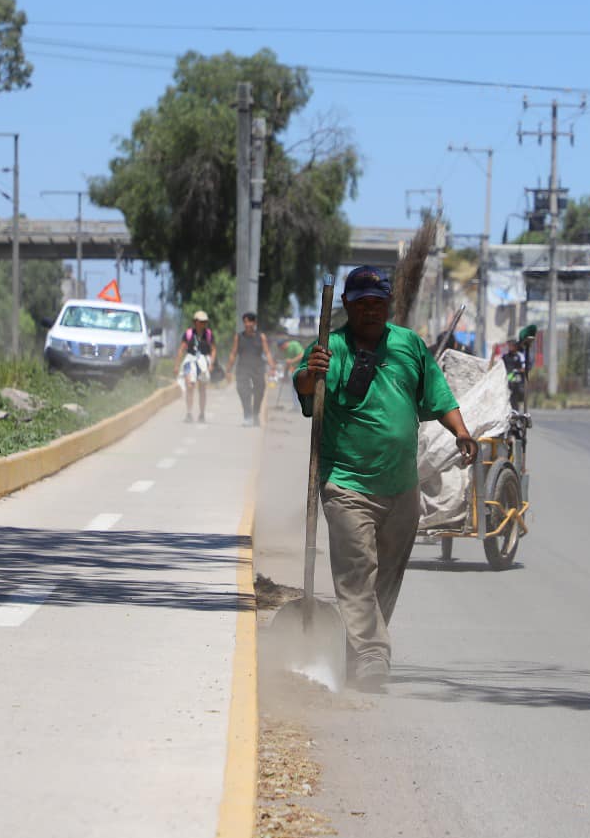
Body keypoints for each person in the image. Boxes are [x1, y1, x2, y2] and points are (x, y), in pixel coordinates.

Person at [295, 265, 478, 692]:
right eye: (363, 305)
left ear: (388, 307)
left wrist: (462, 432)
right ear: (347, 307)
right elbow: (304, 387)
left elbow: (438, 395)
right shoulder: (329, 347)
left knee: (385, 578)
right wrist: (312, 373)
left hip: (401, 486)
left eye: (379, 304)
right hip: (346, 484)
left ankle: (357, 650)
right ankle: (374, 654)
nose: (371, 313)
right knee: (357, 571)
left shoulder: (408, 346)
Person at [227, 312, 274, 426]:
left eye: (250, 321)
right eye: (245, 322)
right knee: (243, 391)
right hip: (242, 368)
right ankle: (247, 416)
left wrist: (272, 367)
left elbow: (267, 352)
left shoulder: (261, 337)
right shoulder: (239, 337)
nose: (247, 324)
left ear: (254, 323)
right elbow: (233, 353)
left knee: (260, 391)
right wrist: (228, 369)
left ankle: (255, 414)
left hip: (258, 368)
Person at [176, 310, 215, 423]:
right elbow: (182, 349)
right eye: (201, 321)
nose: (203, 324)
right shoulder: (188, 334)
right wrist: (177, 365)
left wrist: (211, 363)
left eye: (204, 322)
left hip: (203, 362)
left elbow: (213, 349)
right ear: (195, 322)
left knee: (202, 389)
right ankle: (189, 413)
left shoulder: (208, 334)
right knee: (190, 386)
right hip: (190, 361)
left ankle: (202, 414)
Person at [504, 324, 536, 412]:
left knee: (515, 402)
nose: (510, 347)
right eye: (509, 345)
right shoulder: (506, 357)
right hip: (507, 382)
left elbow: (526, 367)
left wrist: (517, 371)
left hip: (518, 383)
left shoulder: (521, 355)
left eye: (512, 345)